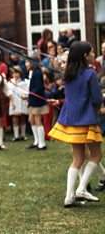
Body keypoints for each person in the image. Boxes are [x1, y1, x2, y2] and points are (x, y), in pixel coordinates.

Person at [48, 41, 103, 207]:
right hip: (86, 120)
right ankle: (80, 189)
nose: (94, 55)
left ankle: (69, 196)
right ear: (86, 56)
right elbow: (96, 98)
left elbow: (75, 96)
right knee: (96, 156)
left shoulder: (68, 74)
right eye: (92, 52)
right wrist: (100, 103)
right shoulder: (90, 74)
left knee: (77, 159)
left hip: (70, 120)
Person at [26, 53, 48, 150]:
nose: (26, 64)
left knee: (38, 120)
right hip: (33, 100)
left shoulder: (38, 73)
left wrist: (30, 94)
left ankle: (42, 143)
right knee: (31, 119)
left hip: (37, 100)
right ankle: (36, 141)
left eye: (28, 62)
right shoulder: (33, 72)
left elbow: (39, 87)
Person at [8, 66, 29, 141]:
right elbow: (8, 92)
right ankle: (16, 135)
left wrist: (25, 96)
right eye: (14, 73)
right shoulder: (10, 83)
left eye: (17, 73)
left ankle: (23, 135)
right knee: (15, 119)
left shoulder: (24, 82)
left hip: (22, 101)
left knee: (22, 118)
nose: (15, 75)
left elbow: (27, 91)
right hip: (14, 101)